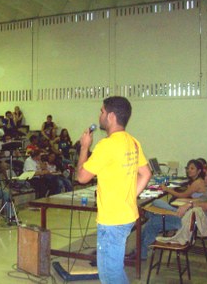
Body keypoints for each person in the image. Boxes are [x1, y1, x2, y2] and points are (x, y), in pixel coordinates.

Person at [77, 96, 151, 284]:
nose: (99, 115)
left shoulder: (106, 145)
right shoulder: (133, 141)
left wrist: (85, 147)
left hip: (112, 220)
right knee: (113, 270)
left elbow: (82, 177)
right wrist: (129, 197)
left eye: (101, 111)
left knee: (110, 275)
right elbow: (146, 173)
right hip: (126, 214)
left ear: (110, 116)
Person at [141, 165, 207, 260]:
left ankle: (141, 254)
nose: (205, 177)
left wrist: (190, 205)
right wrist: (188, 203)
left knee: (153, 222)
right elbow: (203, 201)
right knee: (156, 206)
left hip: (192, 221)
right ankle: (143, 245)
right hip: (191, 216)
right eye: (206, 175)